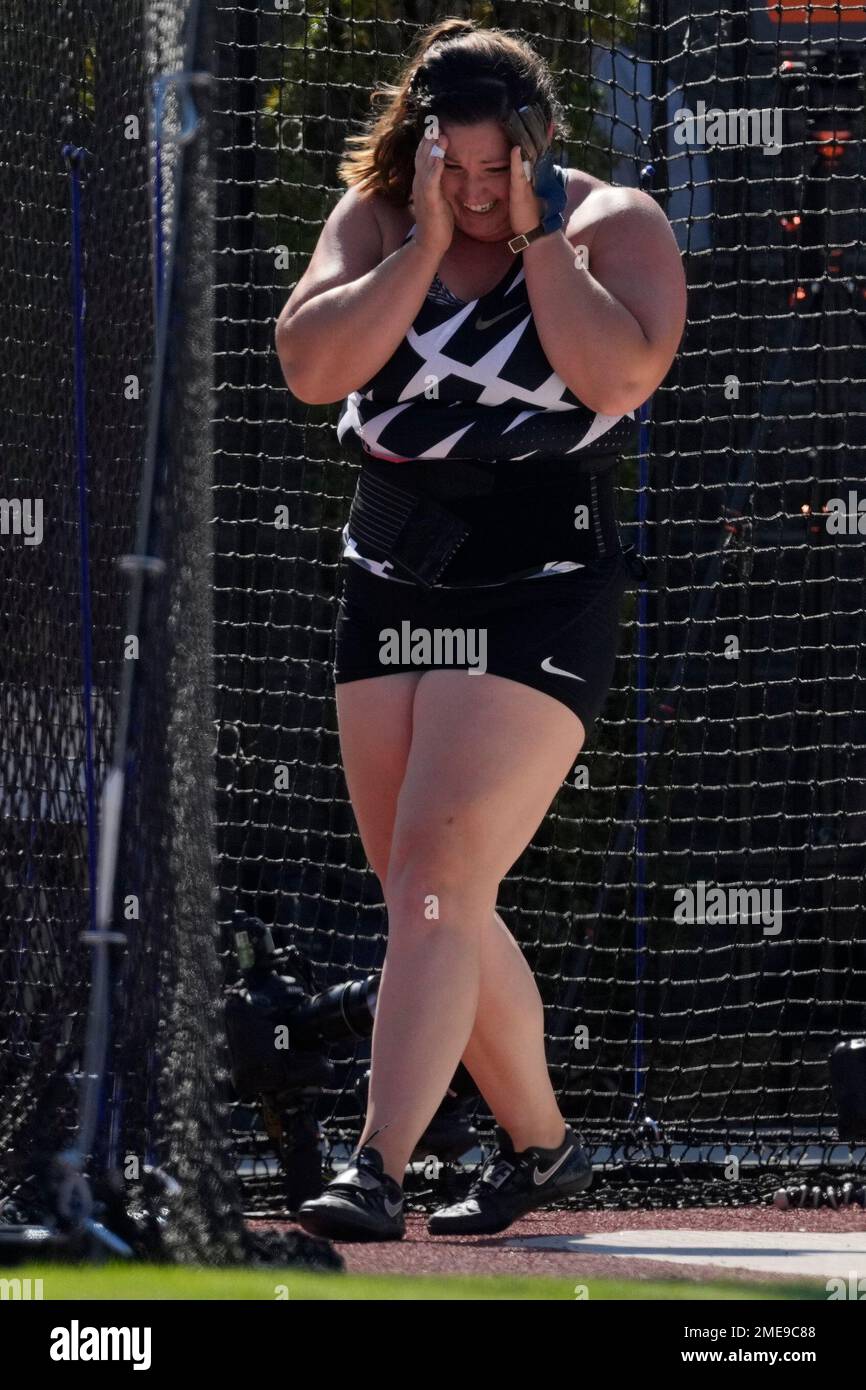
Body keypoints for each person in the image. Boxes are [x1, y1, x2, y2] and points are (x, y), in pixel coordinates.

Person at [275, 17, 686, 1241]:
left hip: (536, 574)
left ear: (536, 145)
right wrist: (416, 245)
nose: (470, 193)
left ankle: (375, 1162)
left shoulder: (611, 223)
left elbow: (616, 376)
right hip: (393, 566)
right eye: (447, 170)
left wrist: (540, 239)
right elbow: (309, 365)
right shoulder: (378, 221)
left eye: (491, 171)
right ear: (418, 152)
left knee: (439, 867)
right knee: (431, 894)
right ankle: (544, 1145)